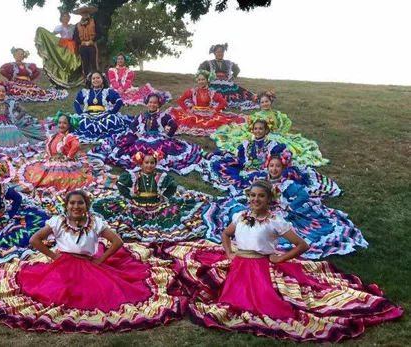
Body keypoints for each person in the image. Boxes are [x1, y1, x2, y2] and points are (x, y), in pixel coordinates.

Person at [166, 180, 403, 342]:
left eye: (261, 196)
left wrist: (281, 257)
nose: (256, 200)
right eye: (252, 196)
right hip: (239, 263)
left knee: (273, 302)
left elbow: (303, 245)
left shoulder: (275, 221)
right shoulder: (240, 216)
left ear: (269, 199)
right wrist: (229, 253)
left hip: (262, 266)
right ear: (248, 197)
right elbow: (225, 235)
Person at [0, 190, 184, 332]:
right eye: (72, 203)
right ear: (66, 206)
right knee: (59, 291)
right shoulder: (58, 221)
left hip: (89, 263)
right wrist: (54, 256)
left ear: (87, 206)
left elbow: (117, 241)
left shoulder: (95, 223)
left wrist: (101, 259)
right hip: (64, 262)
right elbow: (35, 240)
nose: (76, 206)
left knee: (102, 292)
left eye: (80, 203)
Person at [203, 161, 367, 259]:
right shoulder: (259, 184)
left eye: (278, 166)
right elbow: (226, 233)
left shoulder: (287, 186)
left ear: (283, 168)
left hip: (279, 214)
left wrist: (290, 207)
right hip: (254, 225)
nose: (274, 169)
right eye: (271, 166)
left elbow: (303, 196)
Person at [91, 151, 211, 242]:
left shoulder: (160, 177)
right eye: (146, 163)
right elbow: (121, 184)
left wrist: (165, 196)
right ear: (141, 164)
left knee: (172, 216)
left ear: (155, 164)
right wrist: (128, 196)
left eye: (152, 163)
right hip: (137, 204)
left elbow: (172, 187)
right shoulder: (134, 176)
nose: (149, 165)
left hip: (156, 204)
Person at [204, 119, 341, 197]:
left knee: (272, 178)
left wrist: (275, 164)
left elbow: (284, 155)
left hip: (267, 170)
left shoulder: (273, 145)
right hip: (249, 169)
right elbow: (241, 159)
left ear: (266, 131)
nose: (257, 131)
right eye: (255, 129)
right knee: (222, 166)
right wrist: (242, 164)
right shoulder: (246, 144)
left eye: (260, 129)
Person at [90, 93, 206, 175]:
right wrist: (137, 133)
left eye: (155, 103)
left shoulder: (163, 116)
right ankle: (142, 162)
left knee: (158, 147)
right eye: (150, 102)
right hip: (143, 137)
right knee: (137, 145)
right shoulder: (142, 115)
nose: (152, 105)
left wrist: (168, 136)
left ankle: (151, 162)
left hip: (158, 137)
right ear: (147, 103)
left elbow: (174, 125)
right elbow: (132, 125)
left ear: (159, 104)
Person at [211, 90, 329, 167]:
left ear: (270, 101)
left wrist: (282, 132)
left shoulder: (277, 114)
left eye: (266, 101)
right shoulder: (257, 116)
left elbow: (287, 121)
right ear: (259, 104)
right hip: (261, 135)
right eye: (262, 102)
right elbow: (250, 126)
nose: (265, 104)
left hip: (276, 135)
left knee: (288, 148)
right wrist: (254, 130)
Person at [16, 112, 113, 198]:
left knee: (55, 179)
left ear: (69, 126)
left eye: (65, 123)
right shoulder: (56, 135)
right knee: (38, 174)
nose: (61, 125)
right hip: (53, 161)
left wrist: (69, 157)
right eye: (60, 122)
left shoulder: (69, 137)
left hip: (64, 164)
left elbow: (76, 145)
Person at [0, 82, 46, 158]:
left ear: (6, 93)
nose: (1, 93)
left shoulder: (11, 103)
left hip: (10, 126)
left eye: (3, 91)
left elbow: (23, 110)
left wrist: (16, 119)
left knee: (15, 139)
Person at [166, 70, 246, 136]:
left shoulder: (212, 93)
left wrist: (215, 110)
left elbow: (223, 102)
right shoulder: (193, 91)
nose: (201, 82)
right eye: (199, 80)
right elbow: (180, 100)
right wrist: (187, 110)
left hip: (208, 114)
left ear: (207, 80)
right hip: (194, 113)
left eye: (203, 79)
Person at [0, 48, 68, 102]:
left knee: (36, 93)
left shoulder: (29, 65)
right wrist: (11, 78)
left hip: (27, 83)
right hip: (15, 82)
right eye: (18, 54)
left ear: (24, 56)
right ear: (14, 55)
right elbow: (2, 70)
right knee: (12, 90)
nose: (20, 55)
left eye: (21, 54)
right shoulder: (10, 65)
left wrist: (30, 79)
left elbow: (37, 72)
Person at [71, 71, 132, 143]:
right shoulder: (85, 92)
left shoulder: (108, 91)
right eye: (93, 78)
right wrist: (80, 113)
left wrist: (112, 112)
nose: (96, 80)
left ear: (102, 79)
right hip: (88, 114)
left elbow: (119, 101)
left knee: (112, 120)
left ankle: (105, 135)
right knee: (81, 121)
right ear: (90, 81)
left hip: (104, 114)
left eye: (98, 78)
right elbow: (76, 102)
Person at [198, 43, 259, 110]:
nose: (220, 54)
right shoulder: (208, 63)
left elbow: (237, 70)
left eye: (221, 52)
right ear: (214, 53)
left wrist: (232, 77)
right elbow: (200, 69)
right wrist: (208, 78)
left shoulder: (228, 63)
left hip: (227, 85)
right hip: (214, 85)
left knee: (240, 97)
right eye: (218, 52)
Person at [34, 12, 84, 88]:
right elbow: (52, 35)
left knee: (74, 63)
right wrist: (44, 34)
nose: (66, 18)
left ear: (69, 18)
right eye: (64, 16)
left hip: (73, 46)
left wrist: (83, 15)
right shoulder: (59, 27)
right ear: (61, 18)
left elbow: (80, 25)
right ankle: (61, 81)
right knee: (64, 63)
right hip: (63, 46)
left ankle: (73, 81)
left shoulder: (73, 26)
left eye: (67, 16)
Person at [107, 54, 172, 106]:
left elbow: (128, 82)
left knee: (137, 95)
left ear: (124, 60)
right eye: (118, 59)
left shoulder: (130, 72)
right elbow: (113, 81)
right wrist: (118, 88)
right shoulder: (111, 70)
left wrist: (123, 89)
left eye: (121, 59)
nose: (120, 60)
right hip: (115, 88)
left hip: (126, 89)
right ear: (116, 60)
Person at [72, 6, 100, 78]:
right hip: (82, 46)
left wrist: (92, 41)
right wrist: (81, 42)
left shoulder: (94, 22)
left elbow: (100, 33)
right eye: (83, 13)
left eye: (86, 12)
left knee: (94, 63)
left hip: (92, 45)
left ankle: (95, 79)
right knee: (84, 63)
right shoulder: (77, 25)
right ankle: (87, 80)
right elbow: (75, 37)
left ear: (89, 13)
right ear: (81, 14)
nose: (85, 14)